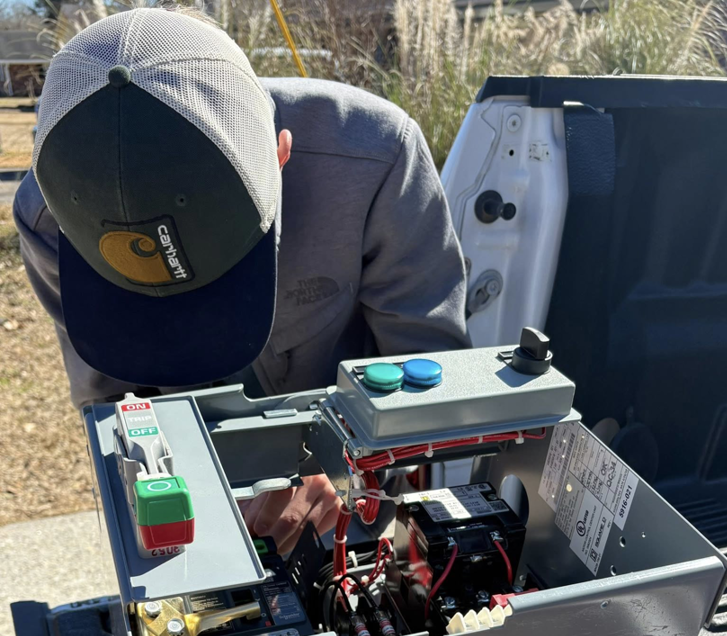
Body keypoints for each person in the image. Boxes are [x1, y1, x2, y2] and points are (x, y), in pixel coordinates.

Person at [14, 6, 469, 553]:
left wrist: (350, 471)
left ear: (280, 154)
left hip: (349, 511)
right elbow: (112, 408)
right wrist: (177, 494)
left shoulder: (375, 158)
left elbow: (430, 379)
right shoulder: (47, 219)